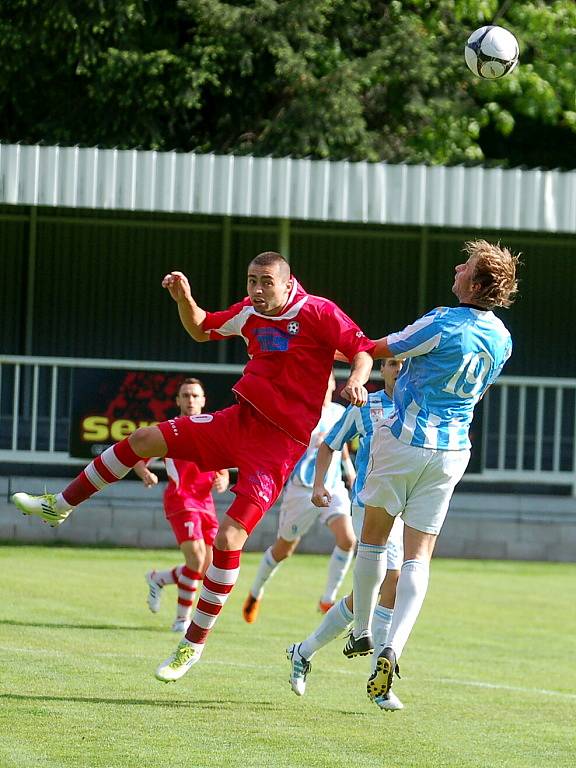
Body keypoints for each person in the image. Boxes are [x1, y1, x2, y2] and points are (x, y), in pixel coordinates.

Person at [12, 251, 375, 684]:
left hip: (277, 448)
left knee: (228, 537)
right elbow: (202, 327)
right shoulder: (248, 312)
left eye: (265, 282)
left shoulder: (318, 312)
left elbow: (363, 349)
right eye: (251, 281)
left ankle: (193, 643)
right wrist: (185, 299)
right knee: (144, 438)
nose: (256, 290)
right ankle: (61, 504)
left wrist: (355, 379)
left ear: (287, 281)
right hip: (236, 422)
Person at [344, 240, 519, 705]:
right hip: (453, 451)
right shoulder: (503, 338)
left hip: (404, 439)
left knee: (374, 541)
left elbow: (382, 348)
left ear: (477, 284)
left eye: (467, 267)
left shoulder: (443, 321)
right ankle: (393, 649)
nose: (457, 267)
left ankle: (362, 630)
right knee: (419, 556)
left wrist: (349, 348)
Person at [286, 358, 406, 711]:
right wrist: (320, 484)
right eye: (394, 363)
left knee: (380, 589)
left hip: (401, 507)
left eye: (406, 364)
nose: (400, 370)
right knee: (388, 581)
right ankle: (378, 684)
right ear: (382, 370)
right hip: (368, 503)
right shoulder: (365, 405)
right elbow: (330, 444)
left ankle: (303, 651)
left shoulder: (421, 405)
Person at [242, 372, 356, 624]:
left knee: (348, 539)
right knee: (284, 549)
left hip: (332, 486)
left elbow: (342, 444)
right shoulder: (298, 413)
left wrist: (350, 471)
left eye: (326, 380)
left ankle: (327, 599)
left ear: (333, 384)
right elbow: (281, 448)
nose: (322, 385)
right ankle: (255, 591)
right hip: (302, 489)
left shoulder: (339, 411)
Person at [134, 377, 230, 633]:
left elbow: (224, 468)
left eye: (195, 395)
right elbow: (136, 456)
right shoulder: (169, 429)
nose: (190, 400)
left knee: (208, 567)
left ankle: (159, 578)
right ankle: (181, 621)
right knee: (196, 559)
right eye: (185, 395)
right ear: (177, 400)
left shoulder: (214, 429)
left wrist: (223, 479)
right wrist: (146, 473)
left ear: (203, 400)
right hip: (181, 500)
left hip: (205, 504)